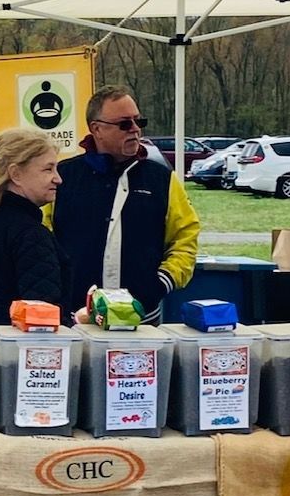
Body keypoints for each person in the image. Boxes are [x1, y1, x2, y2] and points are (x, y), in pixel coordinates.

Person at [49, 85, 199, 323]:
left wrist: (161, 282)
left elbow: (185, 238)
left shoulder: (161, 178)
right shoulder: (63, 177)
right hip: (75, 317)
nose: (136, 130)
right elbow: (42, 237)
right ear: (96, 129)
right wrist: (56, 282)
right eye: (125, 124)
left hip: (142, 318)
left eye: (139, 121)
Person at [0, 128, 69, 328]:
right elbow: (42, 320)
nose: (58, 179)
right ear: (16, 174)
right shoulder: (30, 234)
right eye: (48, 169)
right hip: (25, 353)